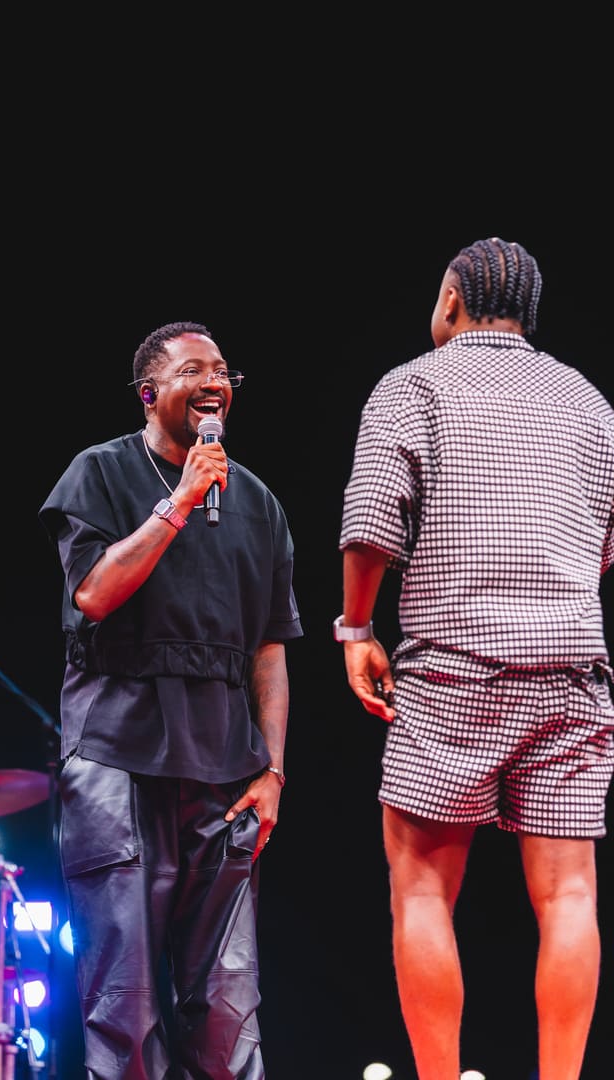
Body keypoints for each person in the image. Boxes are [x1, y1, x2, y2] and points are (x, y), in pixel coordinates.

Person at [335, 238, 614, 1080]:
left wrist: (357, 629)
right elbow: (602, 545)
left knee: (422, 886)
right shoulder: (588, 402)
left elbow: (371, 525)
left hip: (453, 668)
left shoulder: (414, 385)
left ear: (451, 301)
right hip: (570, 671)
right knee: (570, 895)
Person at [39, 321, 303, 1080]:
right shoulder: (99, 472)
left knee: (227, 1007)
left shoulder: (259, 503)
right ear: (149, 393)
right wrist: (180, 501)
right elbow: (94, 593)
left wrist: (273, 770)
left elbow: (269, 650)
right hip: (117, 761)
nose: (214, 381)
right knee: (126, 1005)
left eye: (223, 371)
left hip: (225, 773)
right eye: (194, 369)